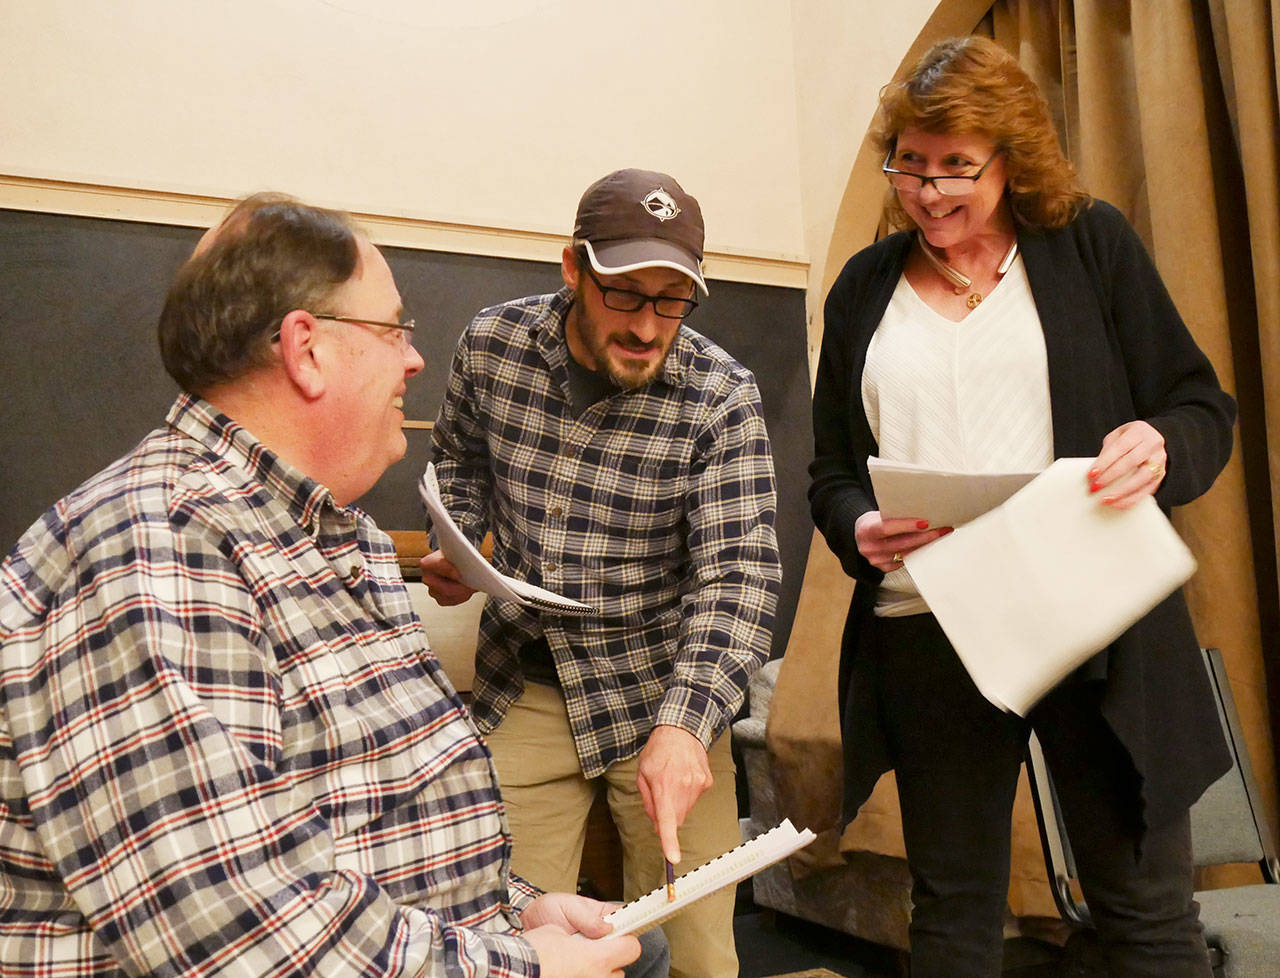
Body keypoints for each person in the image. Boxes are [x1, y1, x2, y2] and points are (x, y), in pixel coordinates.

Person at [0, 192, 670, 978]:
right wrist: (515, 965)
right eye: (394, 331)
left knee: (643, 949)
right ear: (306, 349)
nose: (415, 360)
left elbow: (361, 826)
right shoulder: (156, 548)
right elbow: (235, 932)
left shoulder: (332, 537)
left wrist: (514, 908)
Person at [809, 36, 1237, 978]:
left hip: (1089, 617)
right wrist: (857, 527)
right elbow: (832, 473)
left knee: (1146, 915)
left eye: (957, 167)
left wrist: (1159, 443)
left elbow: (1200, 404)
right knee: (954, 917)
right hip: (930, 627)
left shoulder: (1091, 244)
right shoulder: (863, 290)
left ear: (1011, 158)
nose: (929, 192)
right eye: (910, 166)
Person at [420, 168, 782, 978]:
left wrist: (688, 726)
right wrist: (460, 541)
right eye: (625, 295)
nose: (650, 327)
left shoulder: (721, 397)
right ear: (573, 269)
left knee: (696, 953)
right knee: (496, 930)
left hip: (664, 693)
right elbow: (458, 461)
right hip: (526, 678)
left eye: (672, 302)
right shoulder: (493, 344)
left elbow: (740, 578)